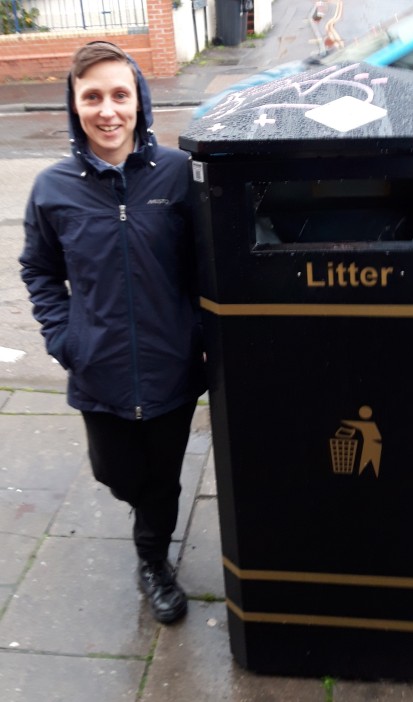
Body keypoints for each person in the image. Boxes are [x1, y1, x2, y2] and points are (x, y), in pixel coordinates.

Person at [19, 42, 206, 624]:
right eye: (92, 96)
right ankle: (146, 510)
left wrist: (200, 335)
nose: (108, 110)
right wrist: (62, 337)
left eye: (119, 95)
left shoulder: (178, 176)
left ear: (140, 103)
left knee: (165, 480)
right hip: (97, 367)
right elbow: (40, 270)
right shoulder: (53, 190)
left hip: (171, 366)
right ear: (75, 106)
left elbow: (208, 265)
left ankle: (153, 561)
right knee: (119, 474)